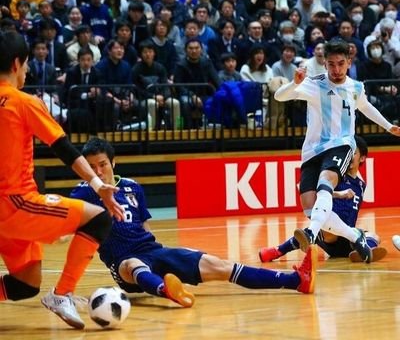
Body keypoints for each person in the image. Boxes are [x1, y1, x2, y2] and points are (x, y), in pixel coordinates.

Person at [70, 137, 317, 309]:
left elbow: (144, 226)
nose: (98, 172)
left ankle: (296, 280)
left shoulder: (133, 186)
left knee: (219, 265)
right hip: (122, 262)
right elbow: (66, 224)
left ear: (113, 163)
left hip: (153, 251)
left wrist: (166, 254)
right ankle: (168, 291)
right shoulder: (82, 193)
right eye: (91, 168)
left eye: (102, 164)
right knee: (133, 264)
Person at [0, 31, 124, 330]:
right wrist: (98, 185)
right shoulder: (23, 102)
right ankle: (62, 294)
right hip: (15, 204)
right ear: (17, 64)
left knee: (25, 283)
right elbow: (64, 149)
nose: (28, 71)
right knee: (98, 220)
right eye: (27, 64)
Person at [274, 40, 400, 263]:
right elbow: (279, 97)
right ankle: (355, 237)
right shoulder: (314, 84)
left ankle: (311, 233)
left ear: (349, 62)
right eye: (331, 64)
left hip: (341, 144)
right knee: (310, 207)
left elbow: (367, 107)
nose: (336, 69)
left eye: (341, 64)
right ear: (325, 64)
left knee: (326, 181)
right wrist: (294, 84)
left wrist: (388, 126)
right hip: (312, 152)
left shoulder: (356, 87)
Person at [259, 136, 388, 263]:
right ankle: (278, 250)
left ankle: (364, 252)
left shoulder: (360, 185)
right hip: (331, 235)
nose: (348, 156)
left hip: (349, 238)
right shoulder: (335, 174)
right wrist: (339, 194)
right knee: (324, 231)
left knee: (373, 236)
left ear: (362, 158)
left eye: (353, 153)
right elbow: (315, 191)